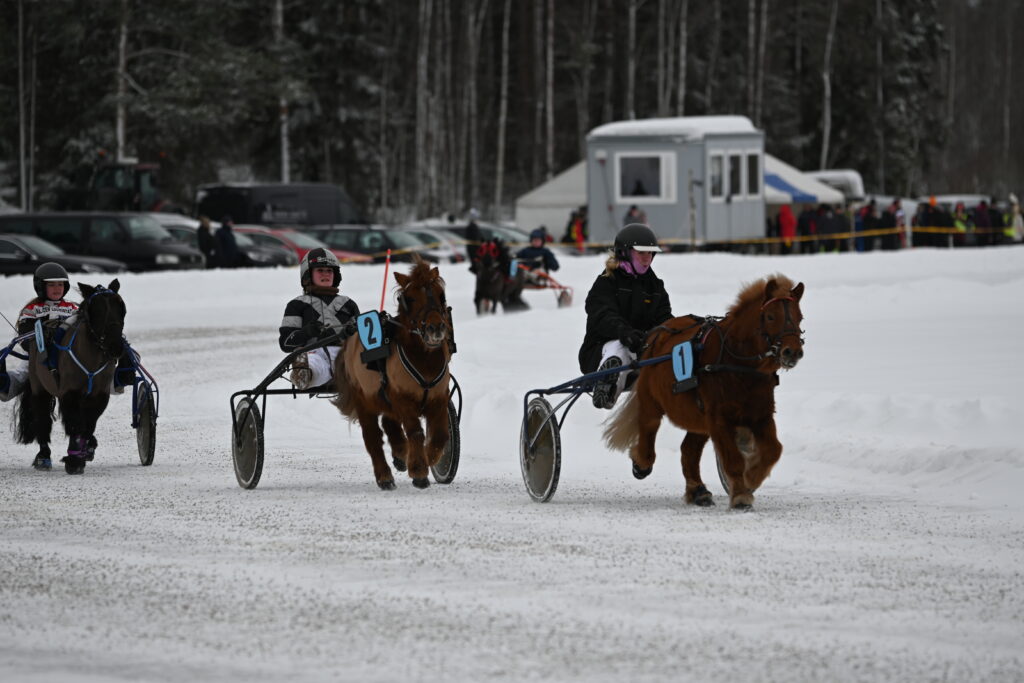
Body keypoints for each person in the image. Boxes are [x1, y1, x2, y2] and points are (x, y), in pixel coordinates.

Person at [579, 223, 672, 410]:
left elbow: (665, 320)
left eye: (650, 253)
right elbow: (602, 315)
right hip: (598, 353)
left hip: (641, 352)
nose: (647, 259)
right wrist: (625, 332)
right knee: (621, 345)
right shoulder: (606, 282)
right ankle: (607, 388)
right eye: (641, 253)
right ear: (625, 252)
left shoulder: (655, 287)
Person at [279, 248, 360, 390]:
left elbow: (364, 338)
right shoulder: (296, 305)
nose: (326, 274)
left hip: (346, 355)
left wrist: (354, 333)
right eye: (320, 270)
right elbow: (285, 343)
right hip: (313, 353)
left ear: (336, 275)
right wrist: (307, 332)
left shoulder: (348, 304)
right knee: (314, 363)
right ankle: (303, 373)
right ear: (308, 275)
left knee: (361, 361)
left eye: (329, 271)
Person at [1, 263, 79, 406]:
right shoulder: (32, 309)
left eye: (60, 284)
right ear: (41, 287)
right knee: (24, 373)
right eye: (52, 285)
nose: (57, 288)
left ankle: (116, 380)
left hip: (69, 355)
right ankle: (5, 384)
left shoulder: (73, 309)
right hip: (39, 355)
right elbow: (25, 335)